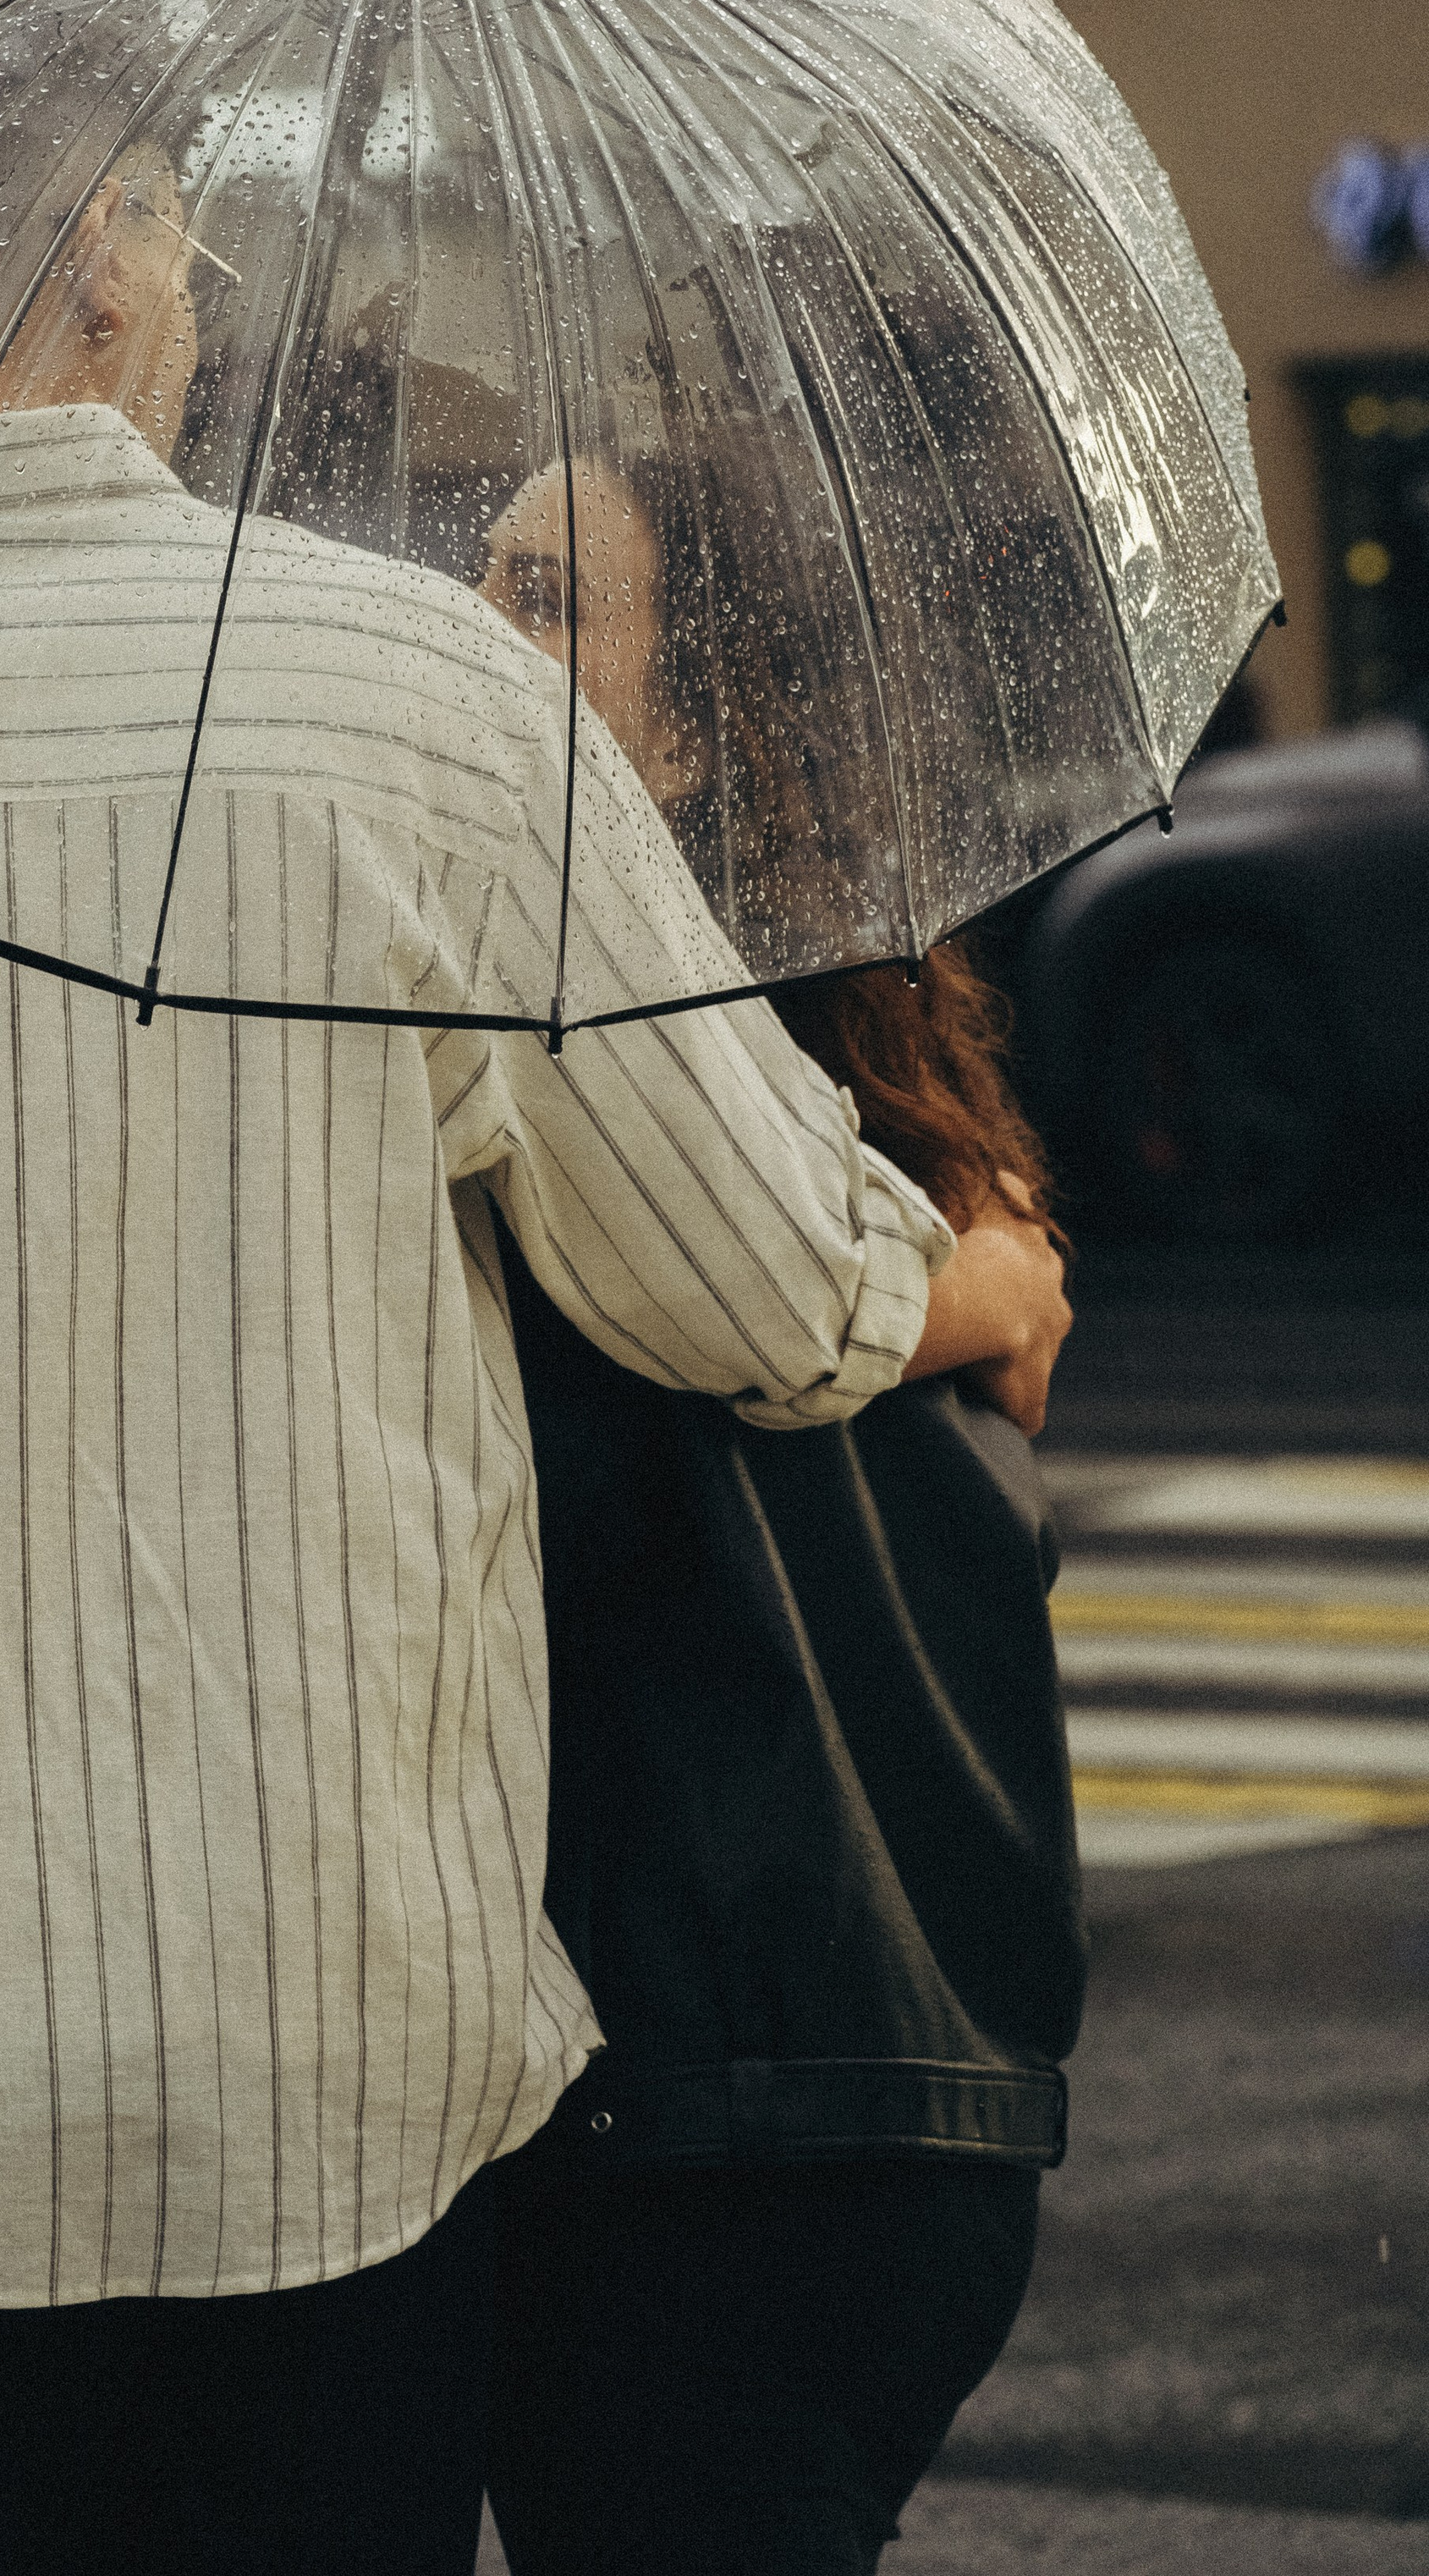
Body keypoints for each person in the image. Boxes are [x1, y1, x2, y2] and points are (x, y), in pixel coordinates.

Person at [0, 157, 1034, 2576]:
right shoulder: (422, 701)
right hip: (303, 2043)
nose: (198, 285)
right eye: (180, 229)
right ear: (103, 247)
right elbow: (749, 1288)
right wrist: (977, 1271)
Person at [477, 453, 1080, 2576]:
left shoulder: (611, 1068)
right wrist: (986, 1278)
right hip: (906, 2082)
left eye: (547, 598)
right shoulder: (896, 1104)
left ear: (697, 724)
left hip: (725, 2111)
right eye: (479, 574)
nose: (477, 628)